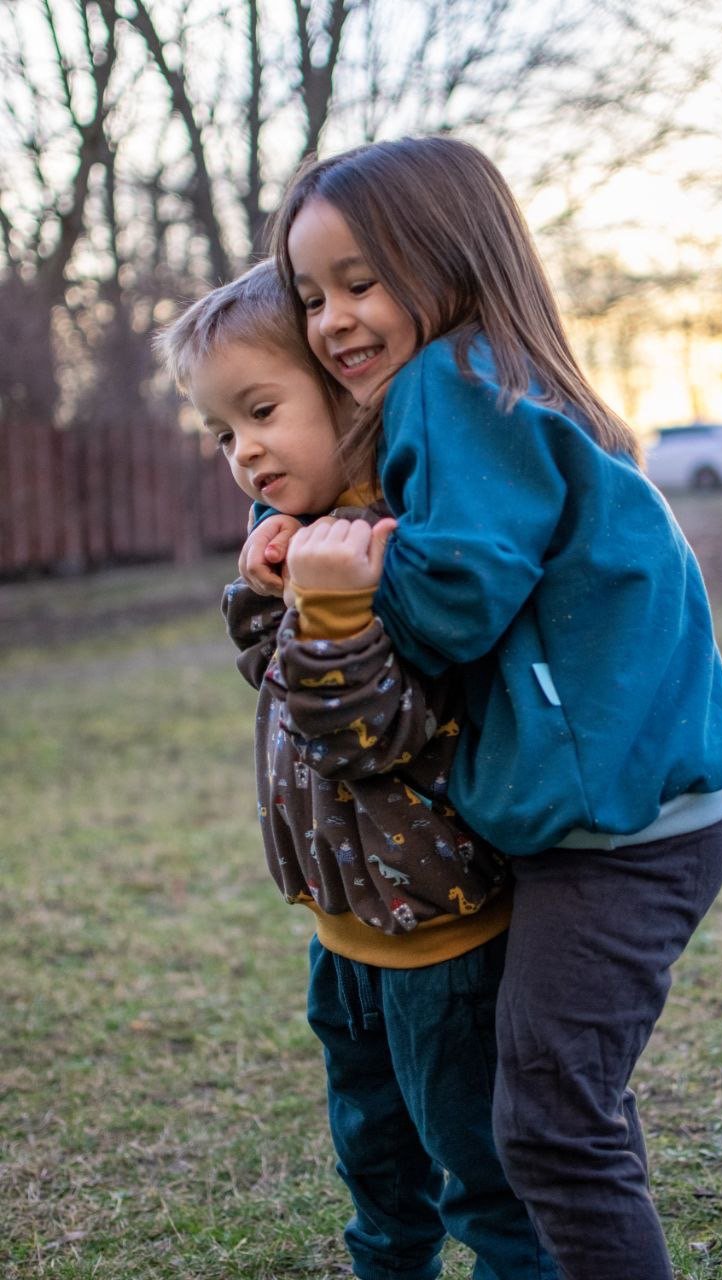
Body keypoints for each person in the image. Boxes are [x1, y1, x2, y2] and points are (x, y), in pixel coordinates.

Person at [239, 137, 722, 1280]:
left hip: (619, 831)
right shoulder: (499, 379)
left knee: (553, 1129)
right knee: (557, 1112)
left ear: (453, 258)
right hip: (626, 809)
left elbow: (458, 598)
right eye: (312, 295)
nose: (333, 319)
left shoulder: (453, 382)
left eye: (361, 281)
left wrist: (347, 576)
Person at [155, 259, 557, 1280]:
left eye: (261, 411)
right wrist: (268, 588)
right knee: (374, 1160)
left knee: (485, 1178)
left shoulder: (405, 546)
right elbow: (276, 678)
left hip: (444, 934)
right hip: (344, 929)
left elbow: (371, 734)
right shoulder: (308, 539)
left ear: (351, 394)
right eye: (221, 432)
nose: (244, 450)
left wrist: (330, 601)